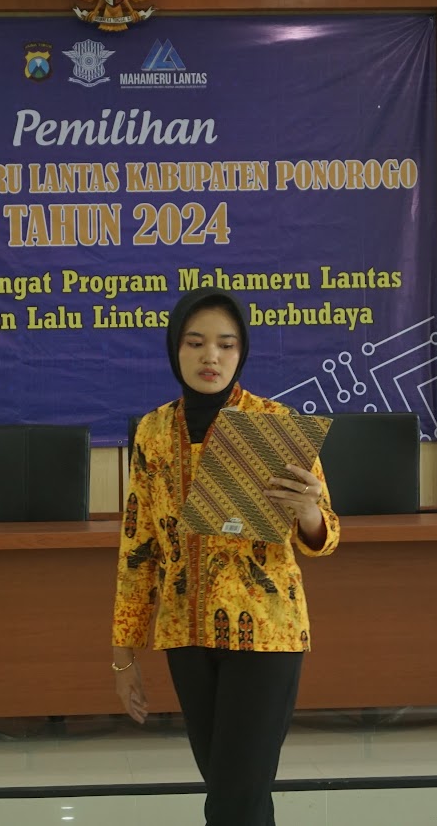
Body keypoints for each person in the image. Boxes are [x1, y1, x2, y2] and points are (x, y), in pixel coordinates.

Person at [112, 287, 340, 826]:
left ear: (241, 352)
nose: (210, 356)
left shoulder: (273, 422)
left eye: (225, 344)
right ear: (176, 348)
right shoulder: (152, 433)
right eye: (195, 343)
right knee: (234, 795)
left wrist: (308, 510)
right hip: (185, 634)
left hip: (265, 632)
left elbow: (326, 535)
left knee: (234, 800)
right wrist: (124, 654)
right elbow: (137, 547)